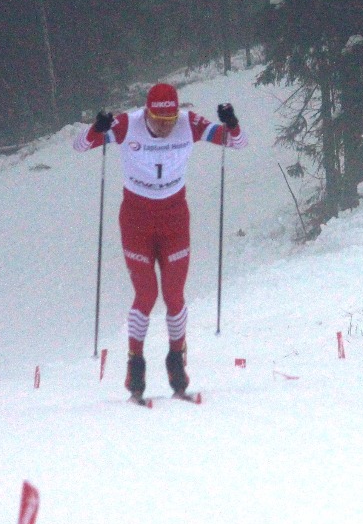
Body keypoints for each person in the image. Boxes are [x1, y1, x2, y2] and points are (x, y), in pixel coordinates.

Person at [74, 82, 247, 402]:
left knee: (173, 294)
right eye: (157, 121)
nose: (165, 128)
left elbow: (236, 142)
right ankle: (135, 365)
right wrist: (95, 129)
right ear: (148, 113)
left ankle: (176, 362)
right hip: (137, 221)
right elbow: (80, 146)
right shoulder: (128, 124)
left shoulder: (189, 123)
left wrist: (231, 123)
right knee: (147, 293)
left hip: (174, 220)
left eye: (170, 122)